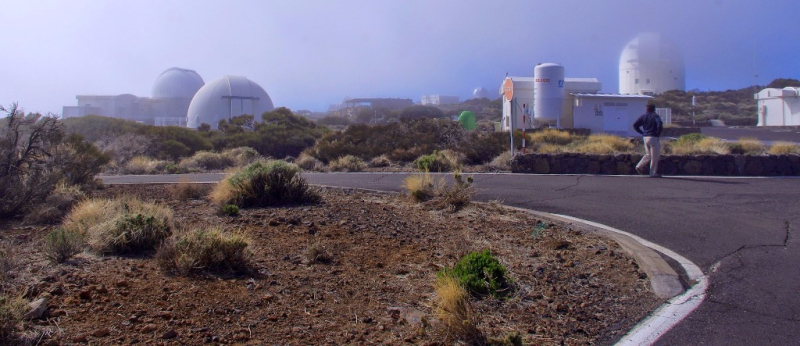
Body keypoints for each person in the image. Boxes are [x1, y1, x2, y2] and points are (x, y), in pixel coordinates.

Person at [633, 103, 663, 177]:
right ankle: (653, 173)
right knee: (654, 157)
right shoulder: (655, 116)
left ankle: (639, 166)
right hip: (653, 137)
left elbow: (635, 125)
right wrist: (657, 134)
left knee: (648, 154)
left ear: (646, 109)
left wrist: (642, 133)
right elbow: (659, 124)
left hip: (645, 137)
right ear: (654, 109)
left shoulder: (643, 116)